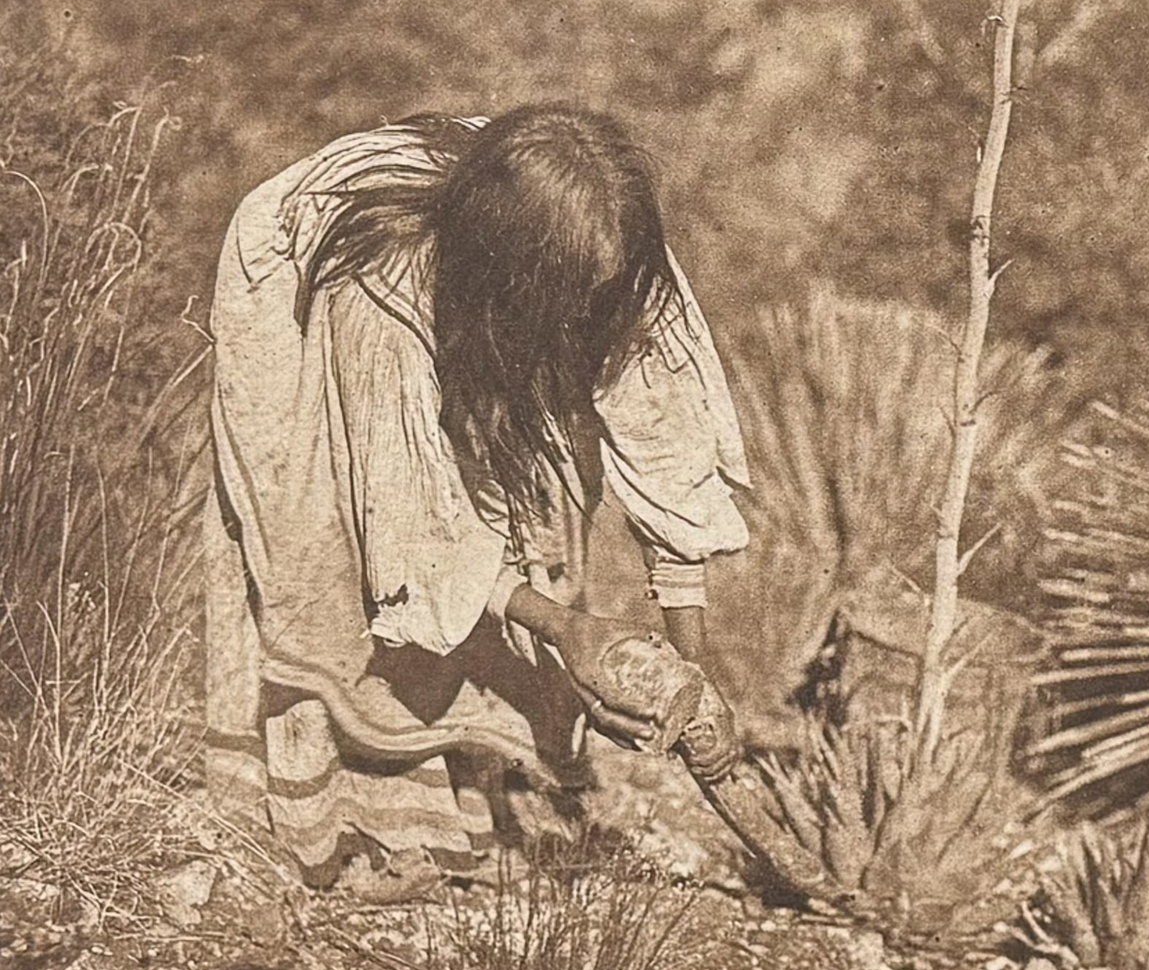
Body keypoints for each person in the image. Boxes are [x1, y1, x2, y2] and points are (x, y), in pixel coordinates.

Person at [204, 104, 748, 886]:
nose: (585, 314)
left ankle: (478, 778)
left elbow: (668, 443)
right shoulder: (381, 284)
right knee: (330, 536)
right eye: (568, 298)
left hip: (483, 305)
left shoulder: (615, 250)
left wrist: (696, 676)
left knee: (544, 492)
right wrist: (564, 627)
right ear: (516, 276)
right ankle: (362, 800)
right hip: (300, 293)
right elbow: (414, 525)